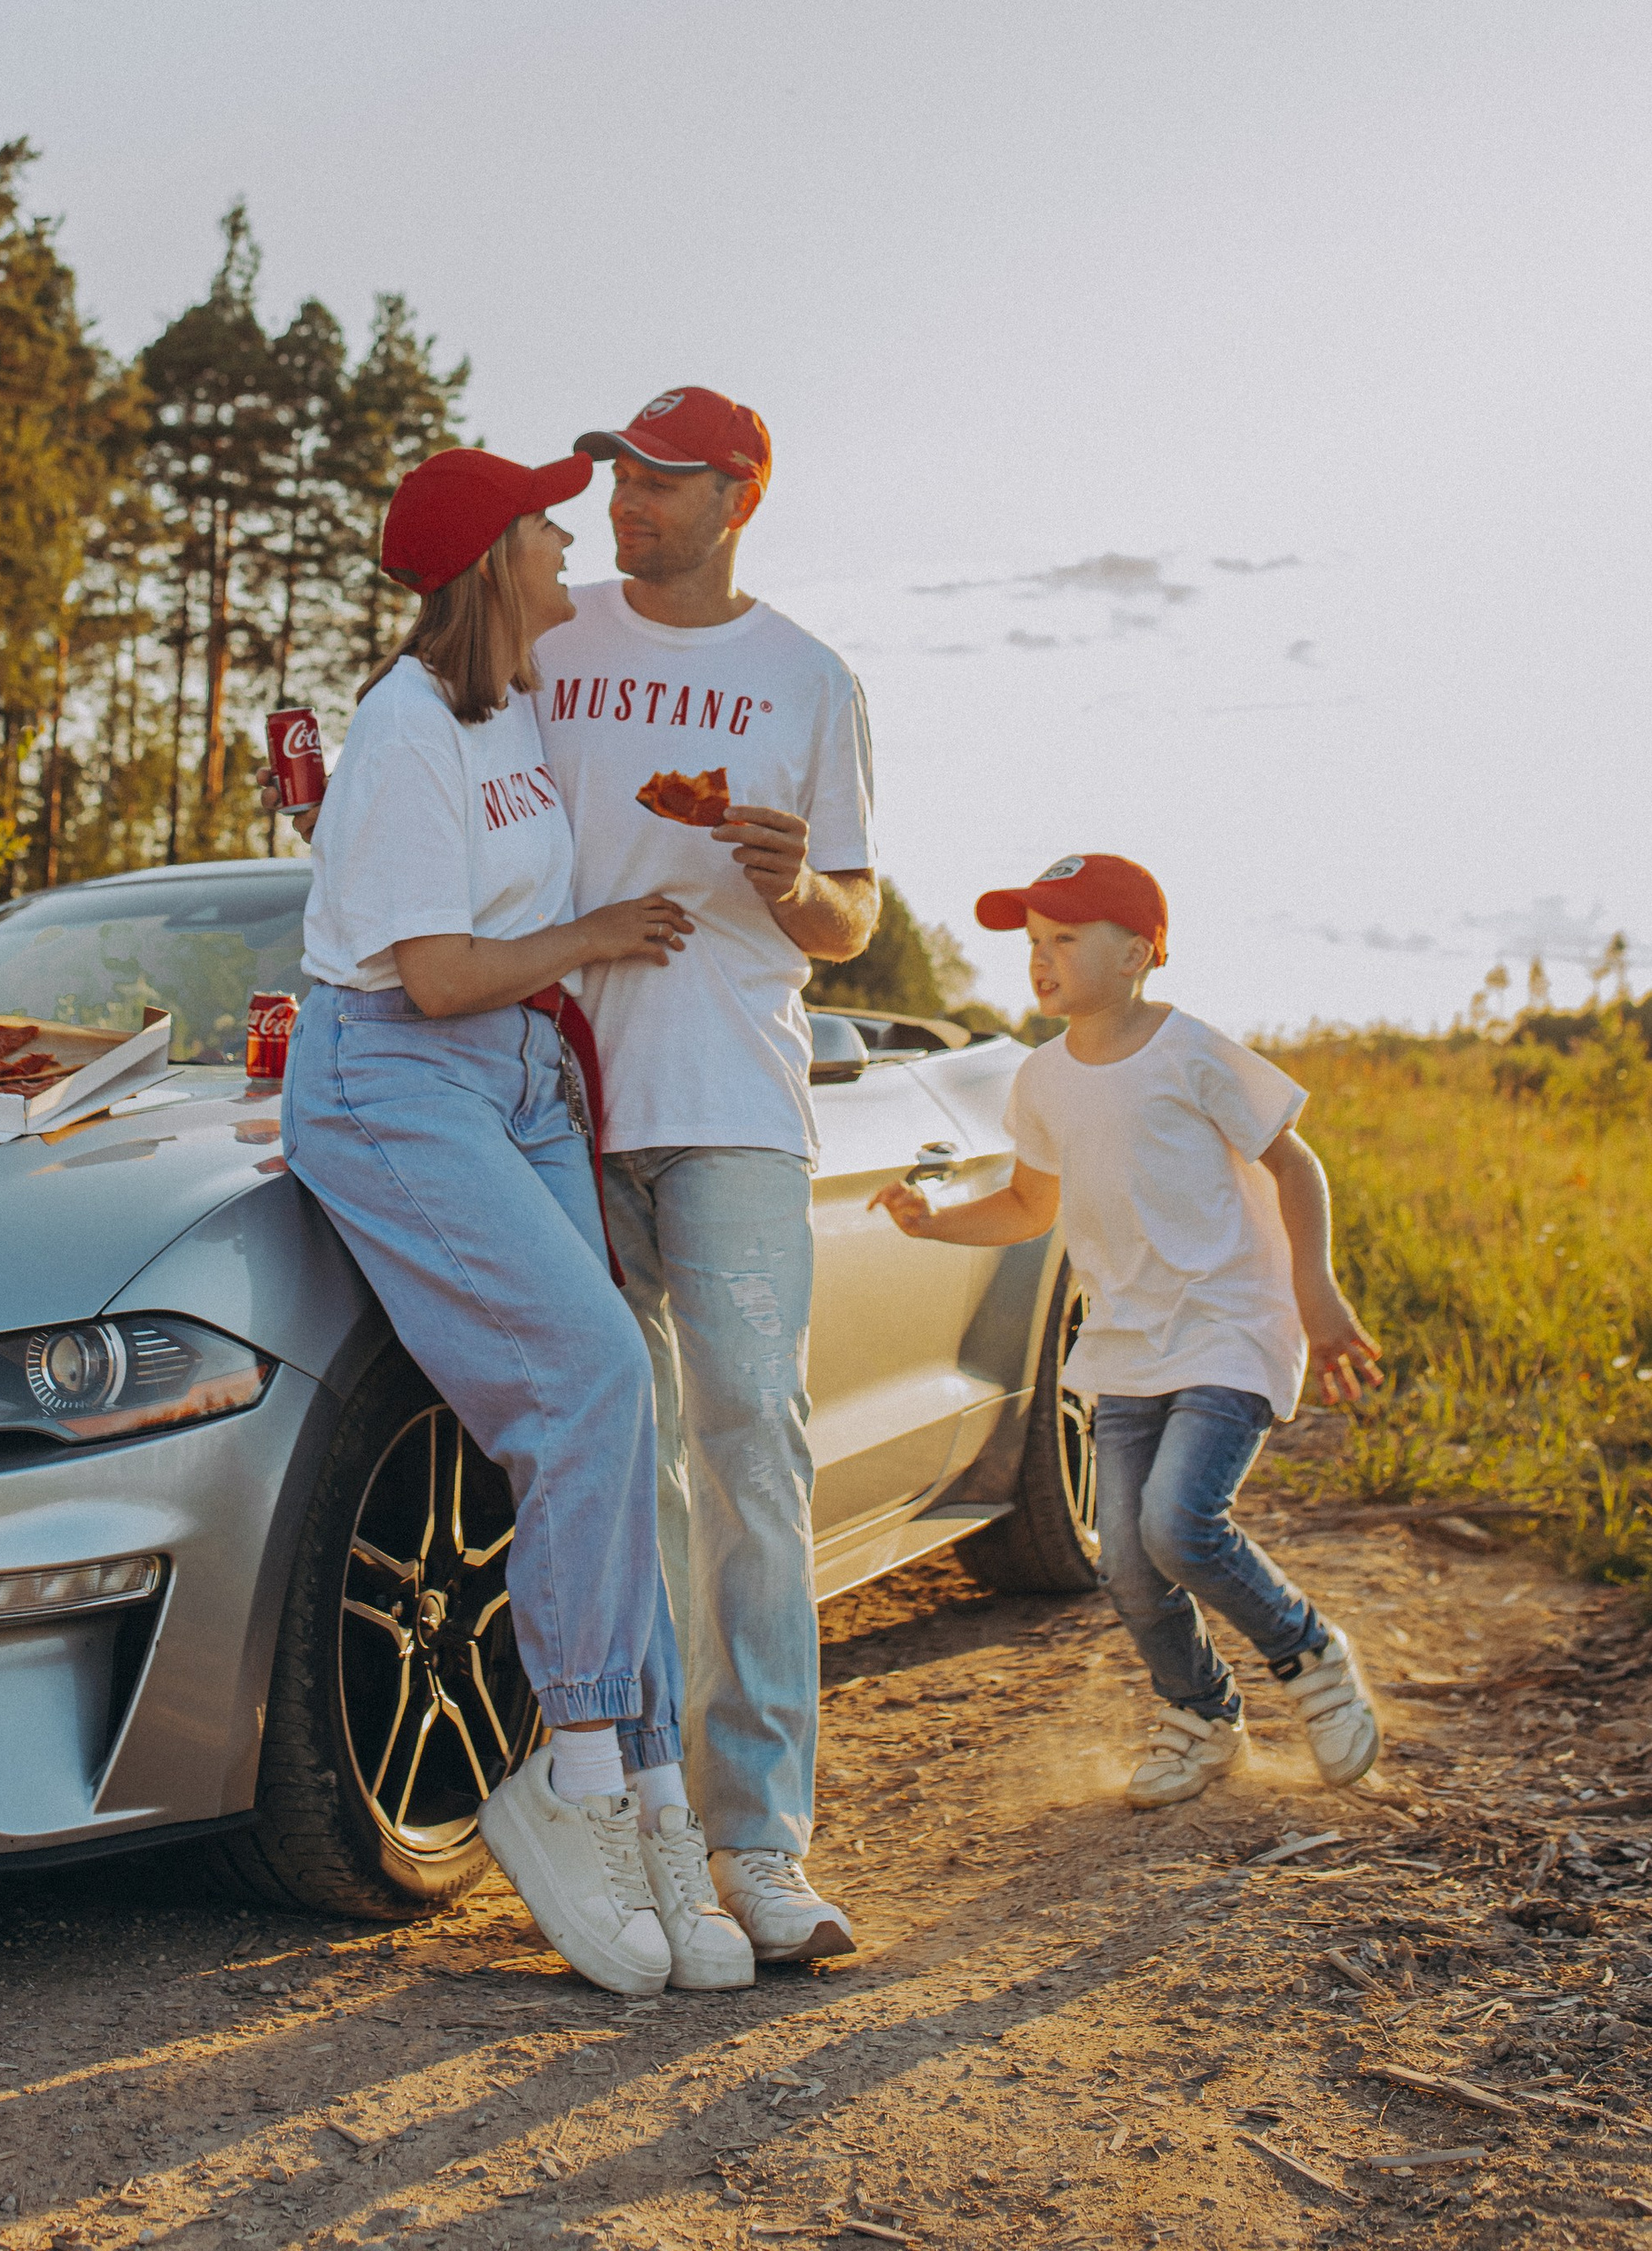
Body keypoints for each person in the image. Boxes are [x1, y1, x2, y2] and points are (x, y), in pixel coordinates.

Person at [279, 443, 756, 1997]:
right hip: (398, 1079)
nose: (572, 553)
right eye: (550, 532)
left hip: (521, 1070)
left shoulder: (517, 705)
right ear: (494, 562)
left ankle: (661, 1811)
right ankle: (574, 1777)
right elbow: (425, 974)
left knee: (628, 1414)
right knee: (596, 1381)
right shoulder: (405, 727)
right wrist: (600, 932)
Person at [531, 387, 879, 1964]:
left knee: (751, 1454)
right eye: (621, 476)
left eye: (664, 483)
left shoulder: (806, 678)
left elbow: (854, 921)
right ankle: (634, 1819)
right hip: (545, 1097)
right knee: (617, 1473)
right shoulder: (549, 634)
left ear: (738, 495)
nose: (629, 502)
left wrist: (796, 881)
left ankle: (760, 1843)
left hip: (731, 1099)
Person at [876, 851, 1385, 1811]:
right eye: (1033, 942)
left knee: (1178, 1525)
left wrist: (1315, 1291)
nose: (1041, 959)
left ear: (1139, 953)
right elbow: (1029, 1205)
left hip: (1228, 1323)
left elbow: (1296, 1166)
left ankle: (1309, 1655)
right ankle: (1200, 1713)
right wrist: (934, 1221)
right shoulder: (1038, 1080)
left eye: (1065, 938)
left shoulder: (1191, 1051)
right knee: (1125, 1561)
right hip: (1124, 1343)